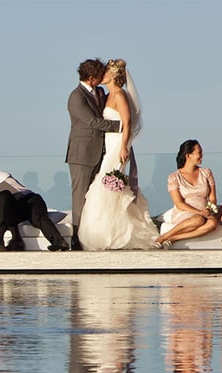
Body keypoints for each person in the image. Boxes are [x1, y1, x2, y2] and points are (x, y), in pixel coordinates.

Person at [76, 59, 160, 250]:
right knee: (106, 185)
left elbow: (127, 122)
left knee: (108, 185)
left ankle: (112, 234)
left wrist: (123, 147)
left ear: (113, 75)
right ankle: (106, 232)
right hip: (108, 144)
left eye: (105, 72)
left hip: (117, 145)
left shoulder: (120, 95)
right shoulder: (108, 95)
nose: (102, 74)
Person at [0, 145, 71, 251]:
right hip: (26, 204)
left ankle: (58, 241)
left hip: (27, 200)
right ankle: (55, 241)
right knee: (36, 218)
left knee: (30, 214)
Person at [66, 58, 122, 250]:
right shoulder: (76, 97)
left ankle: (93, 235)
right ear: (91, 78)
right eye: (100, 75)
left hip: (100, 152)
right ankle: (76, 237)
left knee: (95, 196)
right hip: (81, 155)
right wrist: (120, 126)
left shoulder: (98, 92)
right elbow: (93, 122)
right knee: (80, 196)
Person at [155, 140, 218, 249]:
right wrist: (199, 212)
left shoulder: (206, 172)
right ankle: (163, 237)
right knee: (198, 219)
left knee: (213, 223)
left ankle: (173, 238)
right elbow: (179, 204)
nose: (202, 155)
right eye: (199, 152)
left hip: (205, 211)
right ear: (188, 155)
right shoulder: (174, 177)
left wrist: (209, 209)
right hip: (185, 212)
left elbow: (212, 198)